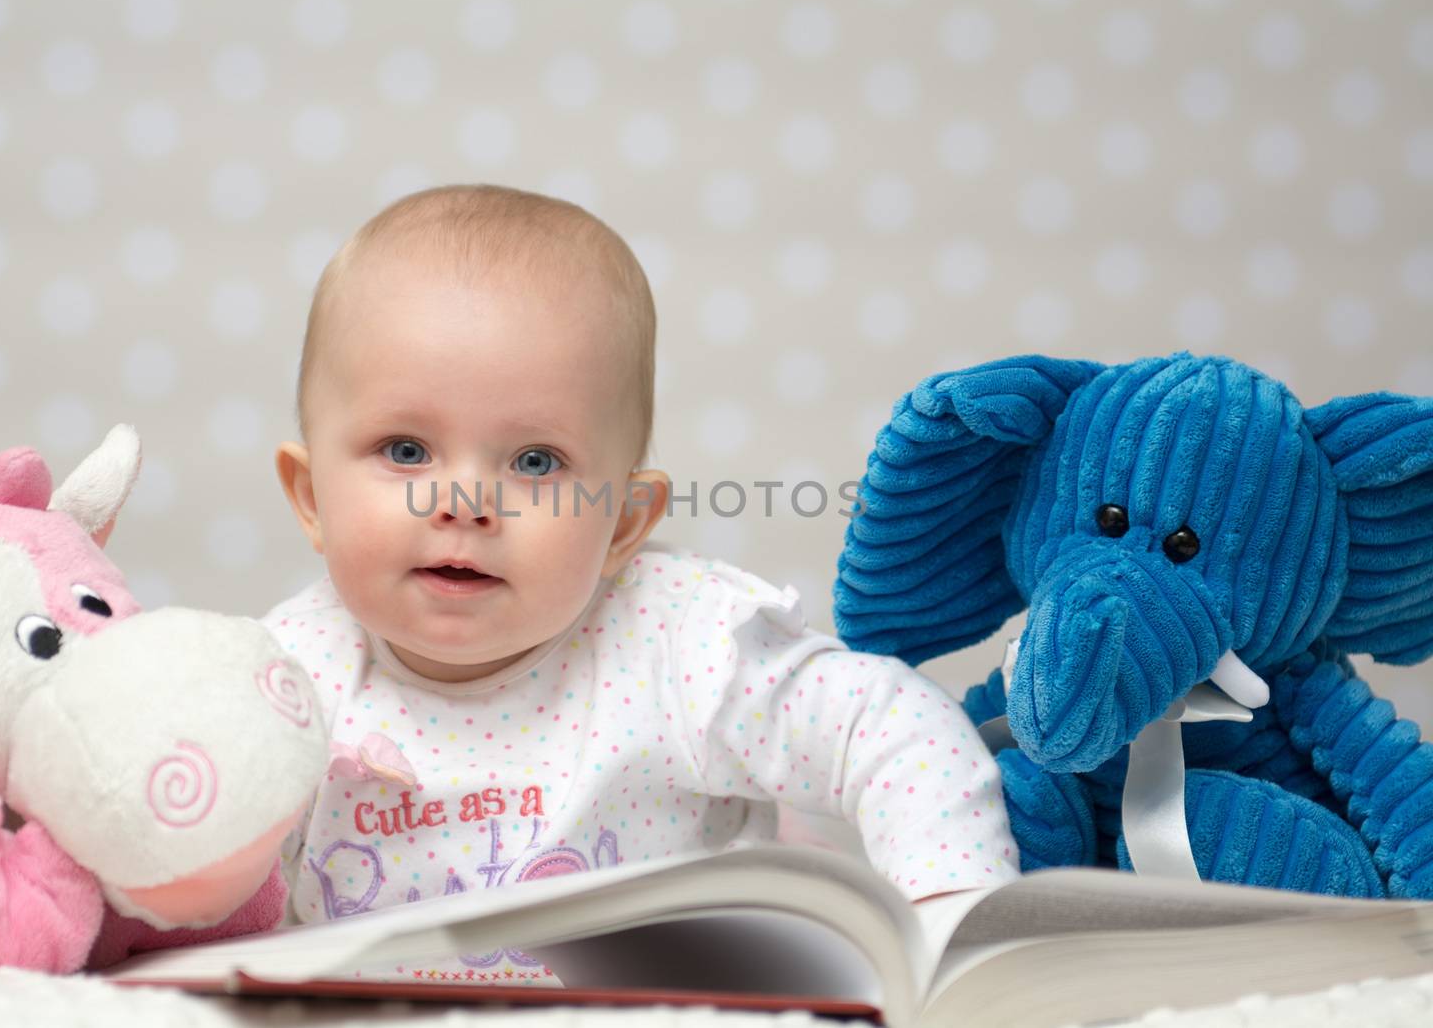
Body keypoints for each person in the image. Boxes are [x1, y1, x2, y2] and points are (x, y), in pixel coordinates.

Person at [264, 184, 1016, 937]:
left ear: (622, 522)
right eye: (406, 450)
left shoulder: (675, 644)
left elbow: (890, 727)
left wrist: (948, 914)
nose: (464, 500)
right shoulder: (281, 681)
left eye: (534, 459)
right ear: (311, 496)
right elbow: (196, 889)